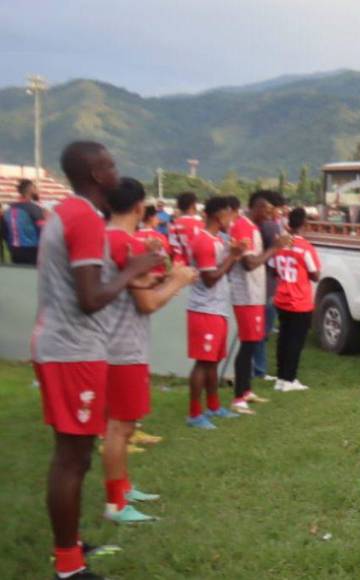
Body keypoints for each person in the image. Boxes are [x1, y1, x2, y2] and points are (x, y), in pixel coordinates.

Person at [33, 141, 162, 580]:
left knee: (75, 455)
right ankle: (69, 567)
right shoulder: (85, 217)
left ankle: (68, 548)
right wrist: (133, 268)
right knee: (72, 458)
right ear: (94, 174)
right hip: (72, 348)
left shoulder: (67, 213)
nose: (115, 169)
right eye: (109, 164)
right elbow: (90, 298)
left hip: (65, 345)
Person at [101, 178, 197, 524]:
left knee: (122, 425)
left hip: (113, 342)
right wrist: (178, 281)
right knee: (120, 426)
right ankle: (115, 503)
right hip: (122, 346)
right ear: (140, 208)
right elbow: (147, 303)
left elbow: (134, 286)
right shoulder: (126, 243)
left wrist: (161, 276)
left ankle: (122, 488)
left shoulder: (107, 238)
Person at [185, 196, 245, 429]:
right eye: (230, 214)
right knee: (203, 362)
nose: (232, 220)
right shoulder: (203, 242)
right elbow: (210, 278)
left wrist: (233, 253)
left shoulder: (217, 240)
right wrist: (234, 257)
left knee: (213, 362)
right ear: (220, 216)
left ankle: (213, 406)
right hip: (204, 310)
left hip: (217, 309)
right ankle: (194, 413)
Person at [228, 191, 290, 415]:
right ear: (255, 207)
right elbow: (249, 263)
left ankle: (245, 390)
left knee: (254, 341)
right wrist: (275, 248)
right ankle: (238, 398)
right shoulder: (242, 227)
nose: (268, 214)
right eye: (266, 209)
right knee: (247, 344)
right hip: (245, 295)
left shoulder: (253, 228)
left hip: (254, 294)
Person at [273, 208, 321, 391]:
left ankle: (280, 378)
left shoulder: (281, 244)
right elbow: (315, 275)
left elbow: (272, 267)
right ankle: (289, 379)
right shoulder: (306, 248)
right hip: (299, 300)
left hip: (282, 297)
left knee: (283, 339)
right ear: (304, 224)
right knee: (295, 341)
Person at [253, 191, 286, 381]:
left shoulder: (262, 226)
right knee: (262, 330)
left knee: (260, 330)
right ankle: (259, 369)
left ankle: (258, 367)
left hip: (264, 283)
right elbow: (277, 254)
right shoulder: (270, 226)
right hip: (267, 284)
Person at [1, 178, 45, 265]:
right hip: (31, 249)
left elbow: (4, 230)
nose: (36, 190)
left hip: (14, 249)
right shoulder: (34, 208)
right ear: (31, 189)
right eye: (35, 187)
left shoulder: (9, 208)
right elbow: (43, 230)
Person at [169, 192, 203, 265]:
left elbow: (171, 249)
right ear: (193, 205)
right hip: (194, 265)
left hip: (178, 265)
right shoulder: (199, 225)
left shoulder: (173, 225)